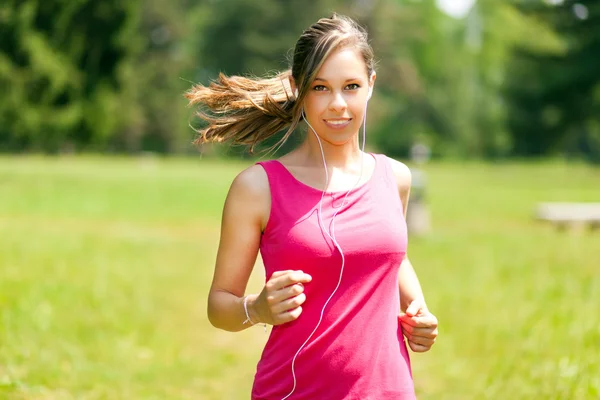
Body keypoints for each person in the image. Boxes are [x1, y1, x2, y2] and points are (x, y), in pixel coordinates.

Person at [186, 14, 438, 400]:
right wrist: (257, 308)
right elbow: (219, 306)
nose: (338, 104)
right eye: (321, 87)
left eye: (351, 86)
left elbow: (391, 254)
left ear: (370, 86)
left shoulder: (396, 178)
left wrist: (417, 309)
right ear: (298, 88)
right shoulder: (258, 188)